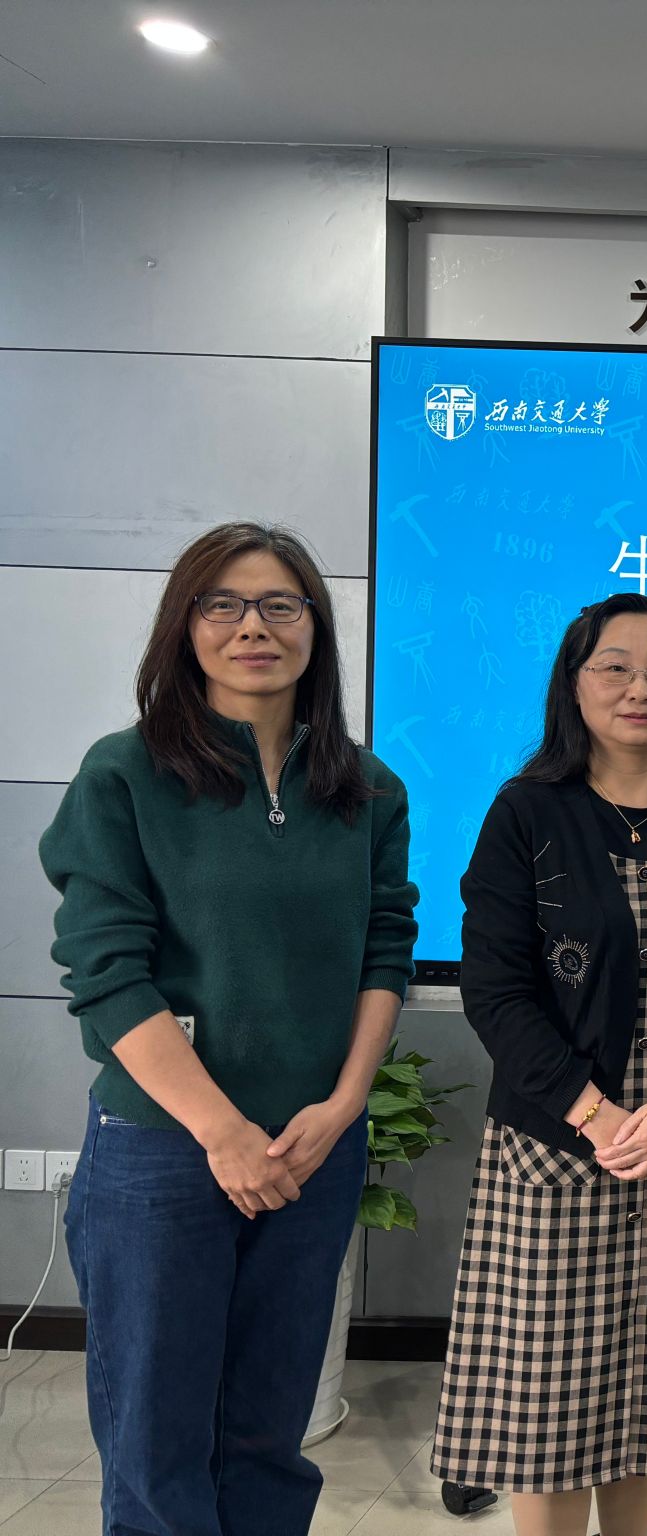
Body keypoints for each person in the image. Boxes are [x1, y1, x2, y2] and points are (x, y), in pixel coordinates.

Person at [40, 522, 418, 1536]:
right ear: (186, 626)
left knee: (269, 1436)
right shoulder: (125, 774)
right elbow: (106, 971)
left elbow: (385, 950)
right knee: (157, 1447)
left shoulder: (366, 789)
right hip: (166, 1151)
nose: (255, 627)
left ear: (316, 629)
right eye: (225, 605)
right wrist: (222, 1132)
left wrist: (343, 1108)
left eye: (281, 606)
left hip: (312, 1148)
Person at [430, 593, 647, 1536]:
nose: (640, 687)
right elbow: (494, 989)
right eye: (615, 667)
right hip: (555, 1146)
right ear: (574, 685)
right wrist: (598, 1116)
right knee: (548, 1401)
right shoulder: (526, 813)